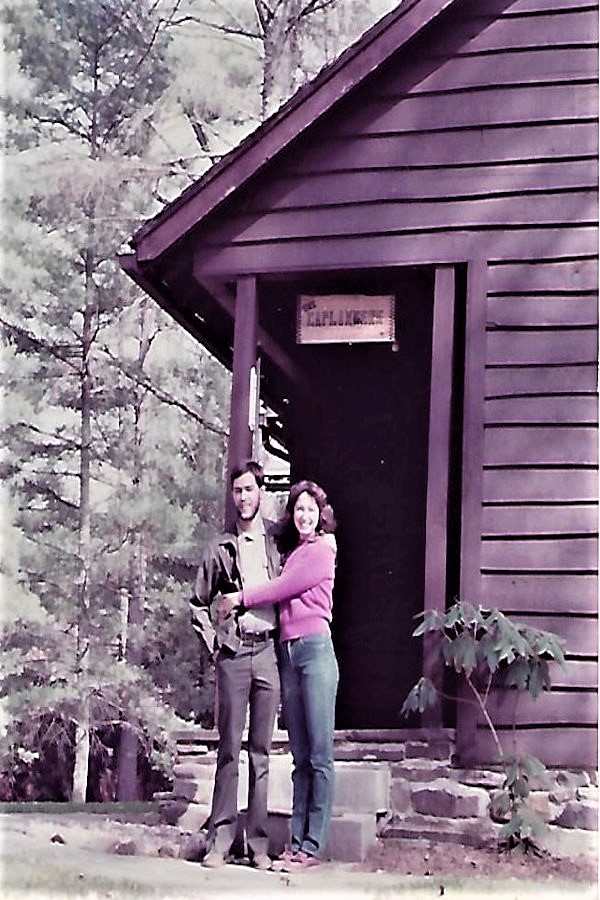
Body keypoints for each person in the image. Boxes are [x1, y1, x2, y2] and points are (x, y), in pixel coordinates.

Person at [219, 479, 339, 871]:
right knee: (300, 756)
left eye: (311, 509)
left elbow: (284, 588)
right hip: (288, 652)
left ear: (321, 514)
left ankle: (313, 845)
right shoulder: (296, 551)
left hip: (315, 651)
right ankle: (297, 844)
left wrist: (239, 598)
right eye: (298, 510)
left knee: (320, 755)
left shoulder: (322, 549)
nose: (304, 516)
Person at [190, 460, 281, 870]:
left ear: (261, 492)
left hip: (269, 654)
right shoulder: (219, 548)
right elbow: (196, 603)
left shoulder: (277, 544)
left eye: (249, 489)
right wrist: (214, 645)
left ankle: (258, 844)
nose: (243, 497)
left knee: (262, 752)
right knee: (229, 749)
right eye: (237, 491)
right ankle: (220, 841)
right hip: (234, 653)